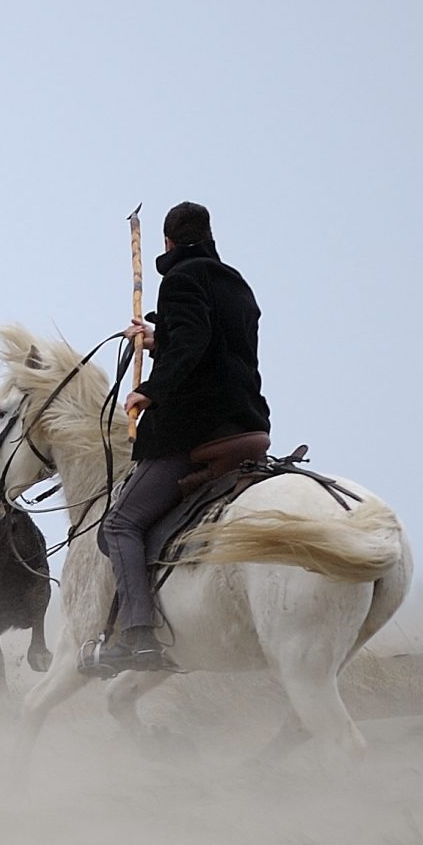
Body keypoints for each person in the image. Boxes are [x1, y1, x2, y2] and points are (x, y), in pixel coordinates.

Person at [93, 201, 273, 676]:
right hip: (250, 426)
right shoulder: (236, 283)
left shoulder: (180, 279)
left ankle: (139, 639)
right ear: (209, 235)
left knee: (119, 525)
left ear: (168, 244)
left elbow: (193, 346)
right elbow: (213, 345)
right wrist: (158, 339)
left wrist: (149, 390)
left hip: (199, 430)